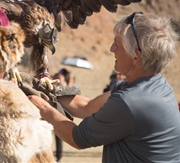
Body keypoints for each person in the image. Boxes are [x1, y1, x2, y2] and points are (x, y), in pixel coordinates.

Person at [29, 12, 180, 162]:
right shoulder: (153, 84)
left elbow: (75, 138)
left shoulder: (130, 102)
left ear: (136, 56)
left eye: (117, 44)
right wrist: (45, 89)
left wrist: (42, 107)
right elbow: (87, 107)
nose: (111, 49)